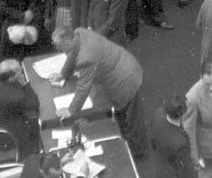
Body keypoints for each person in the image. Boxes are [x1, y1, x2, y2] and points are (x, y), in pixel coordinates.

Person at [52, 27, 149, 157]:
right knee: (126, 114)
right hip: (124, 66)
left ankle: (139, 151)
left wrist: (70, 110)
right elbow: (72, 54)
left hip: (126, 79)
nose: (57, 49)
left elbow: (83, 87)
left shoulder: (86, 57)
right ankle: (126, 137)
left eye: (58, 46)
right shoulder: (79, 33)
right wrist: (63, 74)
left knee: (133, 116)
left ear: (67, 43)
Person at [0, 58, 41, 159]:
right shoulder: (16, 95)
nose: (22, 72)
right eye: (20, 72)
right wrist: (24, 84)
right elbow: (34, 104)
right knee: (33, 123)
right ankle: (32, 156)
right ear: (11, 78)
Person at [150, 95, 194, 178]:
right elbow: (186, 169)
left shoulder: (158, 114)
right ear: (182, 115)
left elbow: (152, 140)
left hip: (160, 166)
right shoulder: (181, 142)